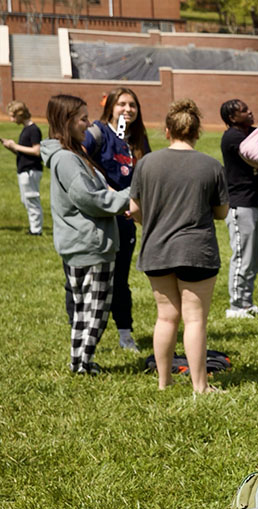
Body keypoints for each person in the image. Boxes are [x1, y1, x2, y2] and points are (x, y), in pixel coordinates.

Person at [129, 99, 229, 394]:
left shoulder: (146, 162)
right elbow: (222, 213)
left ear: (167, 131)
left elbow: (134, 209)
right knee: (195, 319)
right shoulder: (211, 165)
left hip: (156, 249)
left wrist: (153, 221)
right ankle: (200, 386)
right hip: (197, 250)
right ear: (197, 132)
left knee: (165, 317)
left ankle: (164, 381)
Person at [40, 94, 130, 376]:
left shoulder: (69, 154)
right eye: (82, 118)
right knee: (96, 311)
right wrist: (129, 198)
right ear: (66, 121)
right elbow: (90, 198)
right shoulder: (67, 159)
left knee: (83, 309)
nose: (87, 123)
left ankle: (80, 362)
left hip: (81, 242)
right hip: (89, 244)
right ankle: (82, 365)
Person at [82, 87, 151, 353]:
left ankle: (125, 334)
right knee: (96, 277)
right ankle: (87, 334)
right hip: (99, 218)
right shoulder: (97, 133)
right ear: (110, 106)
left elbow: (143, 174)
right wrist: (108, 192)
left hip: (125, 220)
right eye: (122, 104)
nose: (128, 109)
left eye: (132, 105)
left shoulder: (136, 139)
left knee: (120, 279)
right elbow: (79, 161)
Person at [219, 99, 258, 319]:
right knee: (243, 257)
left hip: (257, 204)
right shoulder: (233, 138)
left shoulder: (251, 133)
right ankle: (236, 306)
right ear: (232, 118)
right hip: (240, 206)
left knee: (255, 258)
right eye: (244, 111)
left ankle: (247, 302)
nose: (250, 113)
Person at [4, 101, 43, 235]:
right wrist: (11, 147)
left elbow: (36, 151)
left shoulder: (33, 130)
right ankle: (34, 228)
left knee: (32, 199)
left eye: (13, 116)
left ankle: (36, 230)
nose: (11, 120)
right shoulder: (26, 130)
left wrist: (15, 146)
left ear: (20, 115)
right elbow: (24, 153)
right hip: (24, 170)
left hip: (31, 171)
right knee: (26, 200)